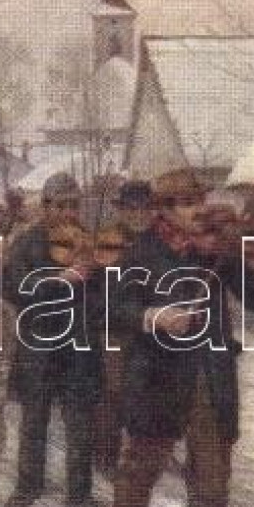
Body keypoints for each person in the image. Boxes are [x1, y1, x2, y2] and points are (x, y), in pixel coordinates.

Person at [87, 169, 254, 507]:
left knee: (212, 486)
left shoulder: (218, 251)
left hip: (211, 381)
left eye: (198, 199)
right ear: (163, 211)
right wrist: (153, 317)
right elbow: (107, 307)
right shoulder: (143, 252)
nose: (196, 209)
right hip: (158, 381)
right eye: (184, 203)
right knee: (137, 480)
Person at [1, 173, 110, 507]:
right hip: (39, 345)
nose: (68, 212)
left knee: (80, 422)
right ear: (46, 206)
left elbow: (105, 297)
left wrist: (99, 273)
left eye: (73, 205)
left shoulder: (89, 243)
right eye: (60, 205)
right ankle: (27, 486)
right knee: (34, 420)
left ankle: (80, 494)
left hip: (78, 345)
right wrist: (60, 280)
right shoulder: (27, 243)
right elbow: (15, 287)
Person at [92, 179, 154, 477]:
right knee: (114, 393)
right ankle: (106, 455)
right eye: (132, 208)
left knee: (147, 390)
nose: (138, 214)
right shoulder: (110, 239)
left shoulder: (157, 240)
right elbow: (104, 285)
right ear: (122, 210)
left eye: (143, 208)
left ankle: (147, 450)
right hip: (114, 326)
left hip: (146, 325)